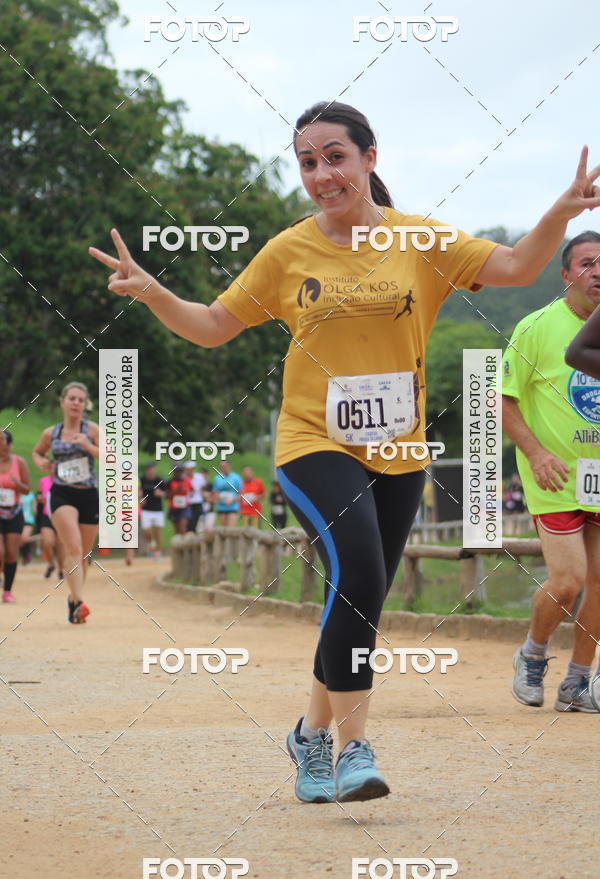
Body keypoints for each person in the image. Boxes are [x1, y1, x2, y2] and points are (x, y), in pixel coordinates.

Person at [90, 101, 600, 802]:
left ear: (369, 157)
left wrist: (559, 214)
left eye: (335, 156)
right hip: (313, 441)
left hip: (400, 451)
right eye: (308, 162)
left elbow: (516, 264)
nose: (322, 174)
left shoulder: (421, 240)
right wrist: (152, 292)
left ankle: (306, 732)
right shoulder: (288, 250)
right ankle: (352, 746)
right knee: (357, 572)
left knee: (358, 599)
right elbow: (212, 325)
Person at [503, 231, 600, 713]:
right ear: (566, 274)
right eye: (586, 263)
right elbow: (502, 399)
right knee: (568, 580)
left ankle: (578, 683)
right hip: (555, 475)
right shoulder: (536, 327)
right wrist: (536, 454)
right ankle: (533, 652)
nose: (597, 271)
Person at [32, 382, 100, 624]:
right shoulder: (51, 433)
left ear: (85, 405)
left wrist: (86, 445)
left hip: (89, 495)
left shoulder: (91, 429)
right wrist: (41, 463)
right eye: (72, 398)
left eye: (81, 400)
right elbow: (37, 452)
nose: (76, 403)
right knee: (73, 547)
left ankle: (73, 600)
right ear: (63, 402)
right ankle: (80, 603)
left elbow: (110, 456)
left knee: (83, 554)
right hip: (62, 493)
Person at [0, 430, 31, 603]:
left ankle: (7, 591)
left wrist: (16, 484)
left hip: (13, 512)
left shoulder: (19, 462)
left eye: (7, 444)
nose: (4, 448)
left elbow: (27, 489)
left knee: (11, 553)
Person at [38, 474, 64, 579]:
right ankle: (51, 564)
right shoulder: (43, 480)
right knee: (47, 542)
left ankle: (61, 569)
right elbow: (39, 495)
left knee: (60, 544)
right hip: (47, 515)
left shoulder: (64, 480)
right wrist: (40, 498)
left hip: (62, 515)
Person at [140, 462, 165, 559]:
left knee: (157, 532)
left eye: (152, 468)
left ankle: (158, 552)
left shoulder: (160, 480)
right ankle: (151, 544)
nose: (151, 470)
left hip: (158, 509)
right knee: (147, 532)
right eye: (149, 468)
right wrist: (141, 500)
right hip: (146, 509)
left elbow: (166, 494)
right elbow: (139, 492)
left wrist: (161, 493)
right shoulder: (142, 480)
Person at [212, 460, 242, 527]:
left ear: (229, 466)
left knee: (230, 528)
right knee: (223, 529)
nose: (223, 468)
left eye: (225, 466)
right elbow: (215, 492)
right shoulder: (217, 478)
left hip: (232, 507)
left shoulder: (236, 477)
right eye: (221, 467)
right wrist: (217, 498)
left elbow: (241, 493)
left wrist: (233, 500)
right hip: (221, 506)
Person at [167, 466, 192, 535]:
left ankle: (185, 543)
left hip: (184, 507)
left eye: (180, 472)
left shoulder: (187, 481)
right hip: (174, 508)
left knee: (182, 526)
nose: (179, 474)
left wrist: (184, 490)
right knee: (177, 530)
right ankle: (179, 543)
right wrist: (175, 490)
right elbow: (167, 496)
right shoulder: (170, 482)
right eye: (177, 472)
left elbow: (191, 491)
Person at [185, 460, 206, 532]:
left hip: (197, 502)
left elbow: (202, 489)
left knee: (194, 523)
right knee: (188, 523)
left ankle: (192, 536)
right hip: (187, 503)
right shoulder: (184, 478)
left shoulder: (199, 477)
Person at [19, 490, 36, 564]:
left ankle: (27, 555)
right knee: (19, 539)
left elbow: (34, 507)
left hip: (28, 519)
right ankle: (24, 556)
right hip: (17, 519)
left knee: (24, 538)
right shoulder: (16, 492)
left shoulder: (30, 494)